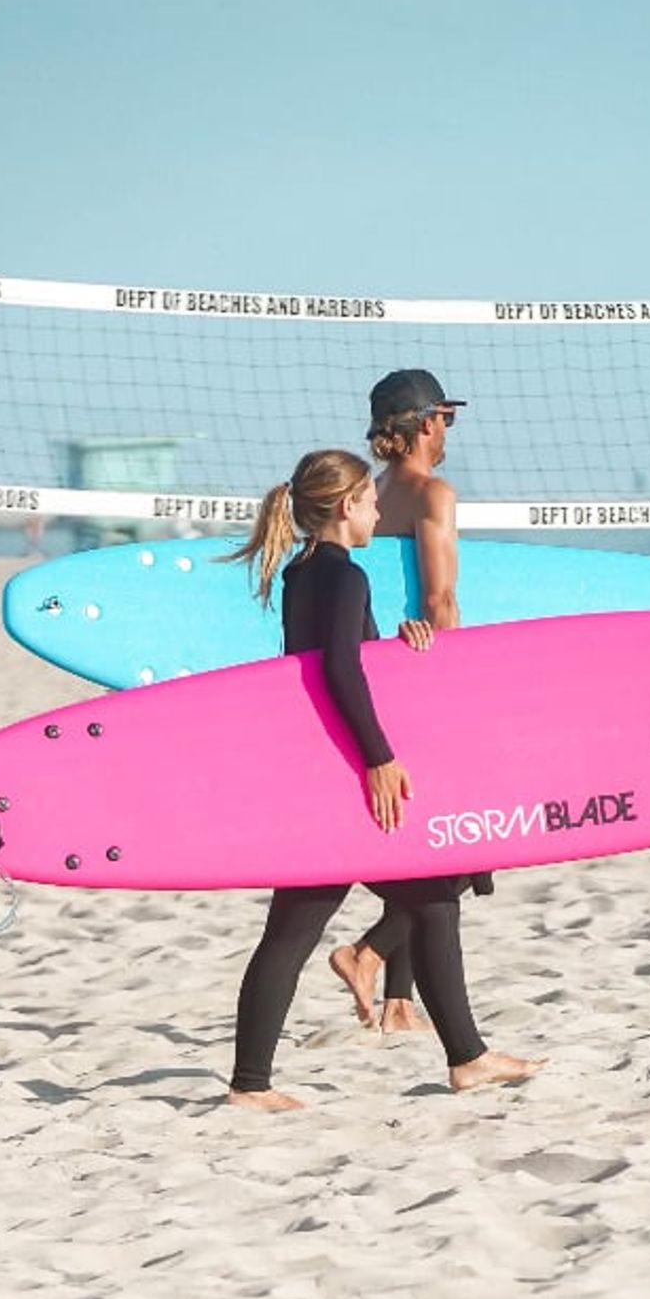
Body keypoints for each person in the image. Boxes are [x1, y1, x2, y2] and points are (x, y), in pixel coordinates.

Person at [224, 448, 542, 1111]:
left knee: (319, 923)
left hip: (317, 766)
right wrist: (379, 759)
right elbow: (339, 673)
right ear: (346, 508)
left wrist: (401, 647)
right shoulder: (345, 578)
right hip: (348, 775)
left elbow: (329, 663)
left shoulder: (303, 573)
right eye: (370, 502)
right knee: (425, 901)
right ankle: (466, 1059)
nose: (377, 511)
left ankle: (253, 1083)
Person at [327, 370, 489, 1033]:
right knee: (465, 846)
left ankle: (398, 1000)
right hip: (425, 667)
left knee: (417, 835)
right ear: (426, 422)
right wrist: (457, 682)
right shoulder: (432, 491)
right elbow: (439, 598)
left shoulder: (375, 493)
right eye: (446, 418)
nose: (449, 430)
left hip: (380, 668)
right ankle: (366, 953)